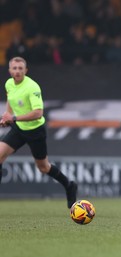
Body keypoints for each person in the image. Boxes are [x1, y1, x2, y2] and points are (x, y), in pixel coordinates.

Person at [0, 56, 78, 209]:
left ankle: (69, 185)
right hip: (18, 128)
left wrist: (13, 117)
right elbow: (10, 100)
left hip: (35, 131)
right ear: (9, 71)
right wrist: (6, 117)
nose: (17, 71)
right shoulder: (9, 83)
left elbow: (38, 113)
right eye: (14, 68)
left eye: (20, 69)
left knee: (43, 167)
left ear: (26, 71)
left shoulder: (32, 87)